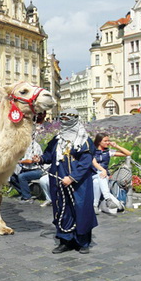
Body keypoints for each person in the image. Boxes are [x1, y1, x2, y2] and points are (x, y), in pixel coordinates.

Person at [34, 108, 97, 254]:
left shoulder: (84, 140)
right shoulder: (58, 139)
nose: (64, 121)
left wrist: (72, 177)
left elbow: (85, 162)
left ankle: (83, 242)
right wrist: (41, 159)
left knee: (81, 209)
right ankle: (65, 241)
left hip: (79, 184)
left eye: (67, 118)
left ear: (75, 119)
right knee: (62, 209)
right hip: (59, 181)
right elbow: (49, 156)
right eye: (62, 118)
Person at [92, 133, 132, 214]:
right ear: (99, 142)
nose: (108, 142)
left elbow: (128, 153)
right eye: (105, 141)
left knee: (96, 182)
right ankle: (109, 199)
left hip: (103, 176)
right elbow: (94, 163)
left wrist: (116, 146)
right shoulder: (92, 151)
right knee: (99, 175)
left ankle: (95, 206)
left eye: (108, 141)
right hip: (92, 174)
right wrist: (103, 170)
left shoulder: (108, 151)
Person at [10, 139, 44, 203]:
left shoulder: (35, 146)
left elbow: (31, 161)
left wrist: (19, 161)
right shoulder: (25, 146)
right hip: (26, 169)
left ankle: (27, 198)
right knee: (12, 177)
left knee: (22, 176)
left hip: (37, 170)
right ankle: (23, 194)